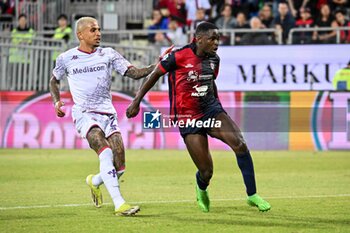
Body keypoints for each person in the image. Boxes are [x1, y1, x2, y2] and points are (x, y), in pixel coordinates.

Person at [126, 22, 271, 213]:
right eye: (212, 38)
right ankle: (201, 188)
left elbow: (210, 82)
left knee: (240, 143)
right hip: (187, 117)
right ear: (199, 39)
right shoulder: (178, 56)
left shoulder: (214, 60)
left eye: (218, 38)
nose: (216, 42)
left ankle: (252, 195)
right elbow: (154, 75)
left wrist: (217, 106)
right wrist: (136, 102)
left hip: (211, 110)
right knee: (206, 171)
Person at [49, 17, 172, 216]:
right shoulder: (66, 58)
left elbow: (134, 73)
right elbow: (54, 81)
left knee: (119, 167)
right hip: (84, 114)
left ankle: (95, 180)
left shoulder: (108, 54)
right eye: (93, 30)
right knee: (105, 152)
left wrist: (156, 65)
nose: (98, 33)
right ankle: (120, 204)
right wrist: (56, 101)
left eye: (98, 29)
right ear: (80, 34)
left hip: (108, 115)